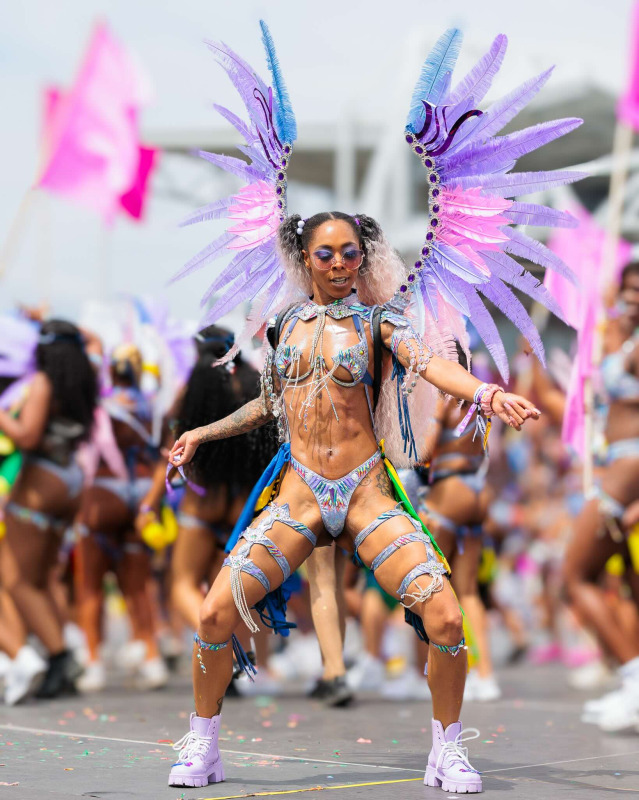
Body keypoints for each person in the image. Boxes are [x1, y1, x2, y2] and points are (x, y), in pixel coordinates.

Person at [162, 22, 578, 794]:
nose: (339, 264)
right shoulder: (285, 325)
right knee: (215, 613)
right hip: (297, 494)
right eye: (325, 253)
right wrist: (200, 431)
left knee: (446, 619)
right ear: (304, 257)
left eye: (350, 253)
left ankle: (446, 749)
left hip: (362, 491)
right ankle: (203, 744)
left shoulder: (380, 322)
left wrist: (486, 392)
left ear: (363, 258)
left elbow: (429, 364)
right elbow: (267, 406)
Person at [0, 319, 97, 699]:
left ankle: (57, 657)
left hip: (42, 484)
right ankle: (63, 659)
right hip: (70, 478)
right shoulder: (83, 377)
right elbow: (94, 342)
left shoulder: (44, 382)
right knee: (40, 580)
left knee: (16, 582)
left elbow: (27, 436)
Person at [563, 262, 639, 732]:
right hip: (616, 468)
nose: (632, 296)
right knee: (630, 586)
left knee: (573, 577)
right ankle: (631, 686)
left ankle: (634, 681)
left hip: (628, 474)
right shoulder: (623, 340)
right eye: (628, 289)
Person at [75, 344, 167, 692]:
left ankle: (94, 663)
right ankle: (152, 658)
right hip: (142, 495)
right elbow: (164, 457)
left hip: (104, 495)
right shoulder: (153, 409)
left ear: (111, 370)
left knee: (90, 586)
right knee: (138, 586)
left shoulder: (100, 406)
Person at [418, 348, 499, 702]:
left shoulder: (446, 401)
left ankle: (424, 673)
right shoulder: (480, 401)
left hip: (449, 495)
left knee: (427, 585)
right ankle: (486, 674)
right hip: (478, 496)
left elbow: (423, 453)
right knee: (468, 591)